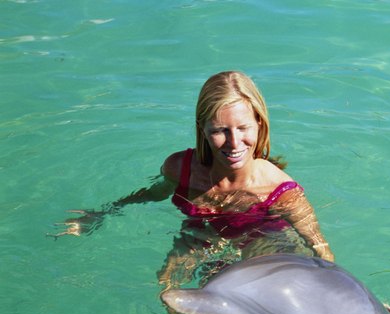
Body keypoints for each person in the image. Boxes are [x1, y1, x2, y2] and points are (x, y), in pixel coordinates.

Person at [56, 71, 334, 290]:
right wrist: (105, 212)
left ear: (260, 124)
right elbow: (154, 193)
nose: (234, 143)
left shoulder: (280, 190)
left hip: (262, 247)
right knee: (167, 295)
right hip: (199, 238)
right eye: (220, 131)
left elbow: (320, 250)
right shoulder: (180, 168)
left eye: (243, 128)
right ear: (202, 128)